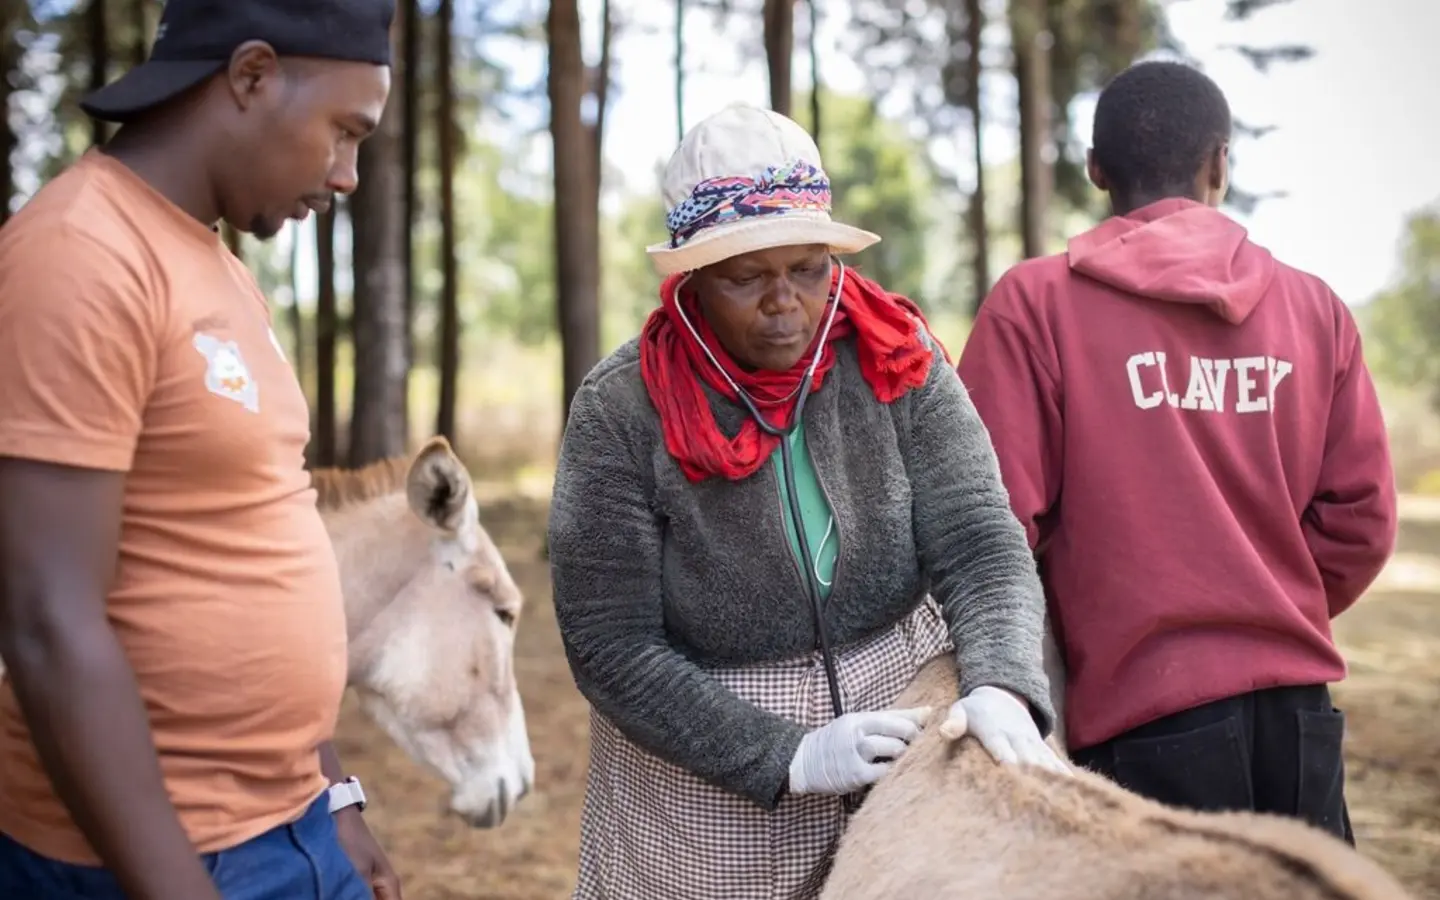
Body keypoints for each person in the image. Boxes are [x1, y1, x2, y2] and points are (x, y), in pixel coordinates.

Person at [547, 103, 1068, 900]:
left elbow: (980, 539)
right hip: (705, 760)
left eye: (809, 269)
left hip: (902, 720)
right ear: (690, 277)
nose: (785, 302)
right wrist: (785, 753)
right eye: (746, 277)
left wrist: (999, 677)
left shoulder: (895, 356)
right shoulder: (621, 410)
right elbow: (610, 645)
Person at [0, 1, 404, 898]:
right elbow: (45, 622)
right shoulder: (80, 254)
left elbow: (256, 529)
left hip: (287, 827)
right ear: (252, 75)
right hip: (151, 857)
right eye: (344, 132)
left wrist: (332, 792)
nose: (346, 177)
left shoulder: (213, 265)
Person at [955, 59, 1397, 845]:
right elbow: (1360, 522)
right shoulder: (1315, 309)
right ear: (1220, 163)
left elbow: (989, 523)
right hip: (1298, 718)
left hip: (1134, 716)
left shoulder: (1034, 306)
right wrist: (1262, 599)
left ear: (1095, 170)